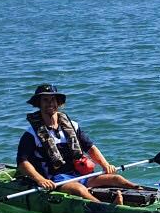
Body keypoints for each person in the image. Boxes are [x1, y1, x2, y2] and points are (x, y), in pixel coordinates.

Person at [16, 84, 144, 204]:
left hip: (80, 175)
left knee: (116, 179)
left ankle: (145, 193)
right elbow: (23, 163)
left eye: (53, 99)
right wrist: (41, 180)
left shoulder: (72, 126)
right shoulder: (31, 134)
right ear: (38, 104)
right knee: (79, 190)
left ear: (58, 103)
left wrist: (105, 165)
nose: (50, 103)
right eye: (45, 100)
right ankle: (105, 207)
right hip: (56, 180)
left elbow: (90, 148)